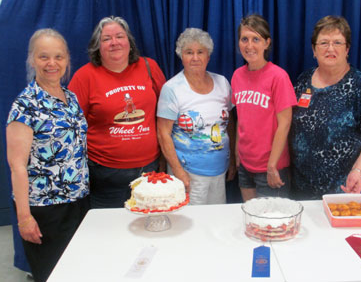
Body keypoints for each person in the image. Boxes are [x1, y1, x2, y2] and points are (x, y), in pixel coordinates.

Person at [6, 29, 89, 282]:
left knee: (79, 270)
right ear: (32, 60)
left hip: (79, 201)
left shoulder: (71, 97)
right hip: (45, 209)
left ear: (66, 60)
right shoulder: (25, 105)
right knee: (53, 275)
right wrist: (24, 218)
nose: (52, 64)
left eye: (58, 57)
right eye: (44, 57)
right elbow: (17, 165)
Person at [68, 16, 167, 208]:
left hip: (149, 171)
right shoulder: (84, 76)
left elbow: (164, 116)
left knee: (147, 229)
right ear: (98, 46)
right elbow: (72, 126)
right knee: (110, 231)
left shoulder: (149, 67)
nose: (114, 43)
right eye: (106, 39)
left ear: (129, 41)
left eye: (119, 36)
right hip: (105, 176)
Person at [290, 16, 361, 200]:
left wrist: (358, 171)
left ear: (347, 49)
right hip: (304, 190)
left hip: (348, 191)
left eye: (337, 42)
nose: (330, 48)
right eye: (324, 43)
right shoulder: (302, 81)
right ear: (314, 50)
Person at [157, 28, 235, 204]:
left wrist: (233, 161)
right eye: (189, 52)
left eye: (200, 52)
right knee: (191, 225)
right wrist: (178, 172)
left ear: (208, 56)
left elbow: (230, 123)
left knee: (216, 223)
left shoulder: (222, 82)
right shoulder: (172, 89)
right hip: (188, 174)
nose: (195, 58)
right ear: (181, 56)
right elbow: (163, 134)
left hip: (219, 170)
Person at [231, 14, 297, 201]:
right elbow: (240, 118)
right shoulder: (237, 76)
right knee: (250, 220)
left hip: (271, 168)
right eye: (244, 39)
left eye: (256, 39)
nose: (249, 45)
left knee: (271, 225)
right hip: (245, 165)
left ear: (267, 43)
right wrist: (237, 152)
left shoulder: (278, 76)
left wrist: (272, 166)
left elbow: (285, 124)